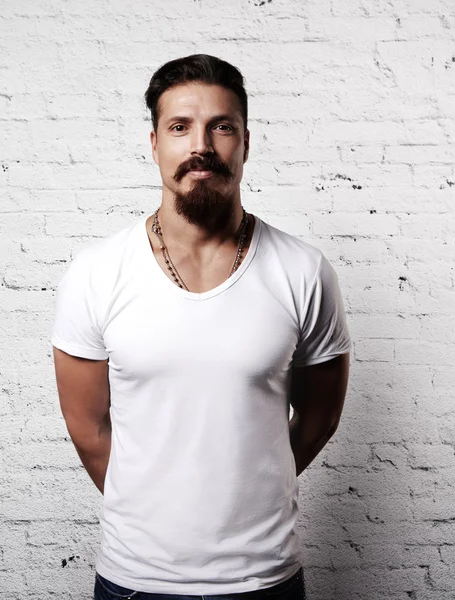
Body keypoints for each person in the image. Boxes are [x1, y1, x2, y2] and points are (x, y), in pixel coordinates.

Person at [51, 54, 351, 600]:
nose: (201, 146)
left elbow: (320, 417)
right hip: (134, 582)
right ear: (154, 143)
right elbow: (89, 430)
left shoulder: (304, 270)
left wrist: (250, 494)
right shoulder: (95, 271)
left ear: (246, 142)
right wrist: (156, 512)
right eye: (180, 127)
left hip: (266, 579)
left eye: (222, 127)